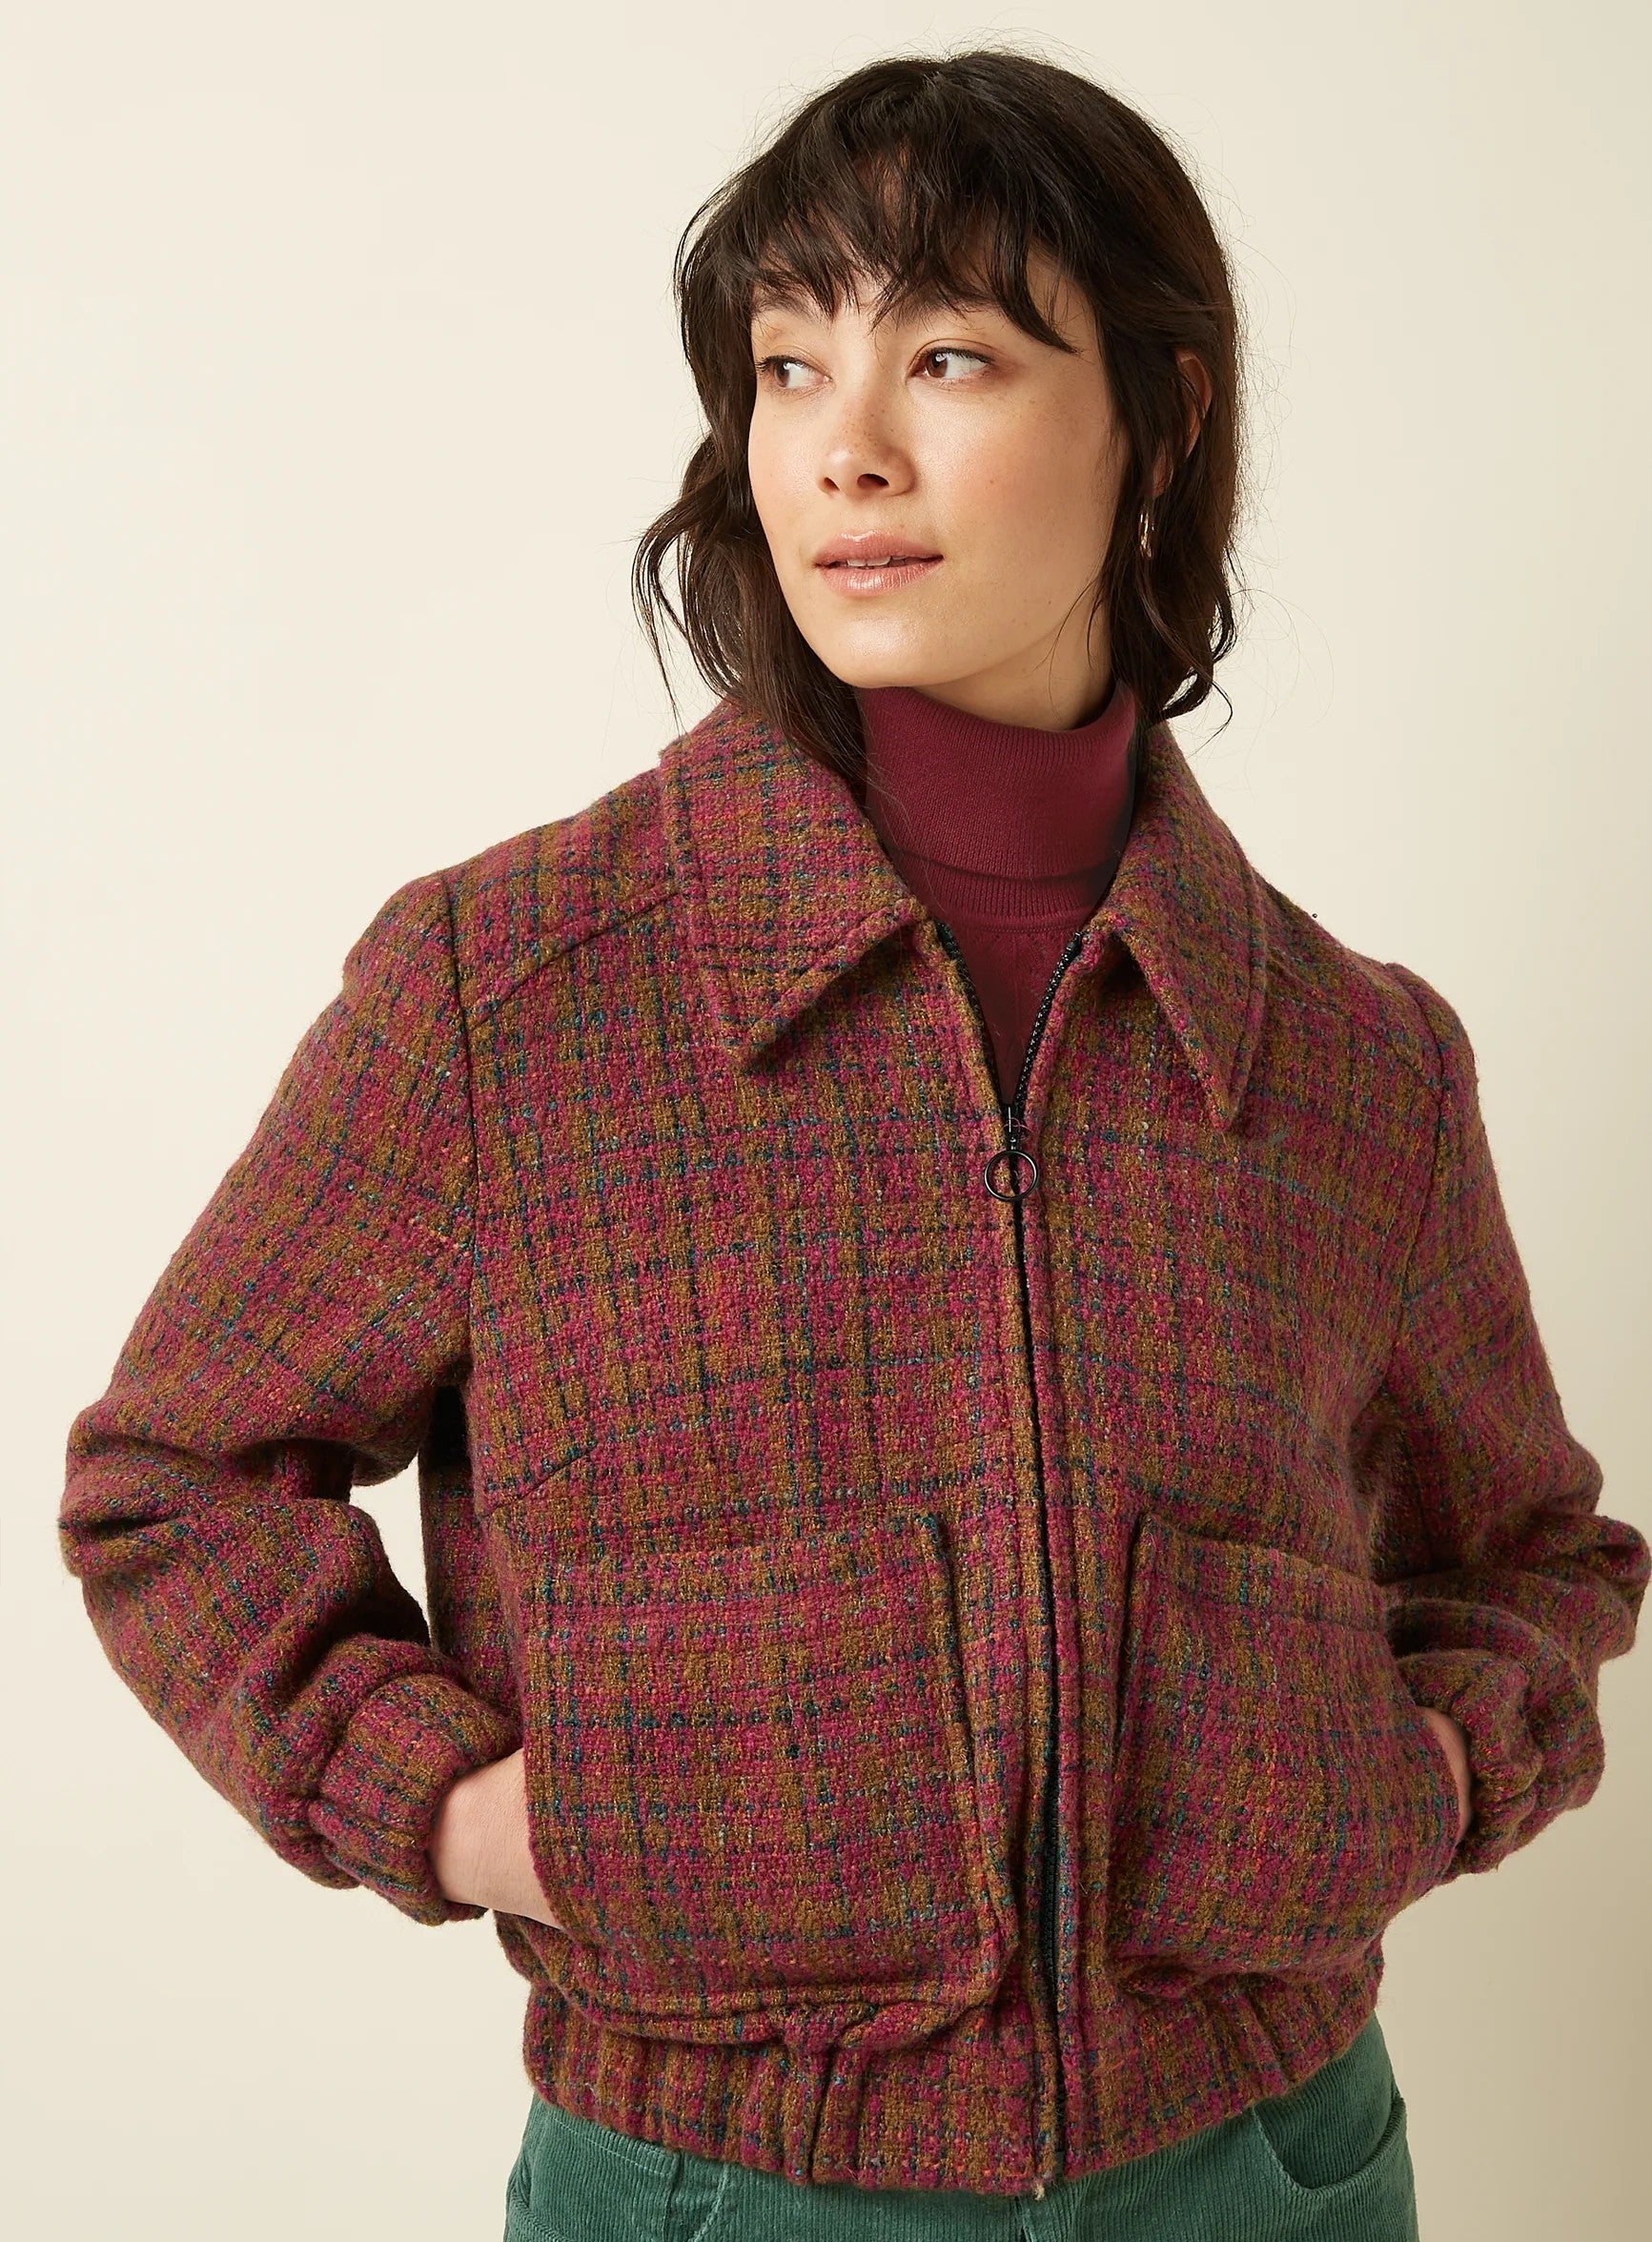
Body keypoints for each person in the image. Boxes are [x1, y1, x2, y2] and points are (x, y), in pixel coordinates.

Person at [59, 48, 1647, 2242]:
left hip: (1272, 2166)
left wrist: (1430, 1771)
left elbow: (1536, 1551)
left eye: (952, 357)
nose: (847, 446)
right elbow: (175, 1480)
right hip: (725, 2186)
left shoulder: (1354, 1059)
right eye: (791, 364)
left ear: (1164, 416)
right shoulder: (509, 992)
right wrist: (469, 1814)